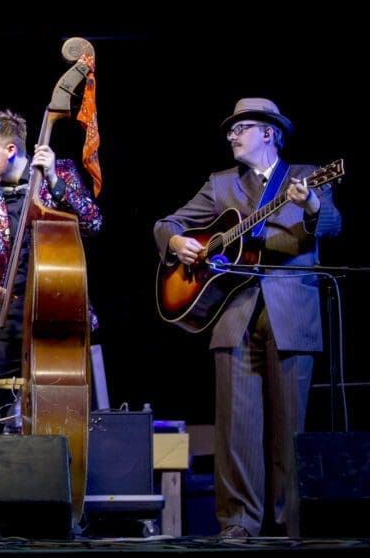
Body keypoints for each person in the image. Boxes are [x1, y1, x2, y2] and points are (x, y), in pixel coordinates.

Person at [154, 97, 341, 538]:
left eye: (241, 128)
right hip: (233, 314)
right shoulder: (221, 185)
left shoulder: (304, 178)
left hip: (290, 315)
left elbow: (331, 225)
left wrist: (312, 204)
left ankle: (290, 523)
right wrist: (178, 243)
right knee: (236, 431)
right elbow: (166, 223)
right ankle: (237, 523)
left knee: (289, 431)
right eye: (230, 130)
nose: (231, 136)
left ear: (269, 133)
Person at [0, 109, 102, 433]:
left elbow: (93, 222)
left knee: (60, 410)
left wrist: (53, 181)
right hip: (6, 313)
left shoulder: (59, 173)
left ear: (10, 150)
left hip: (58, 306)